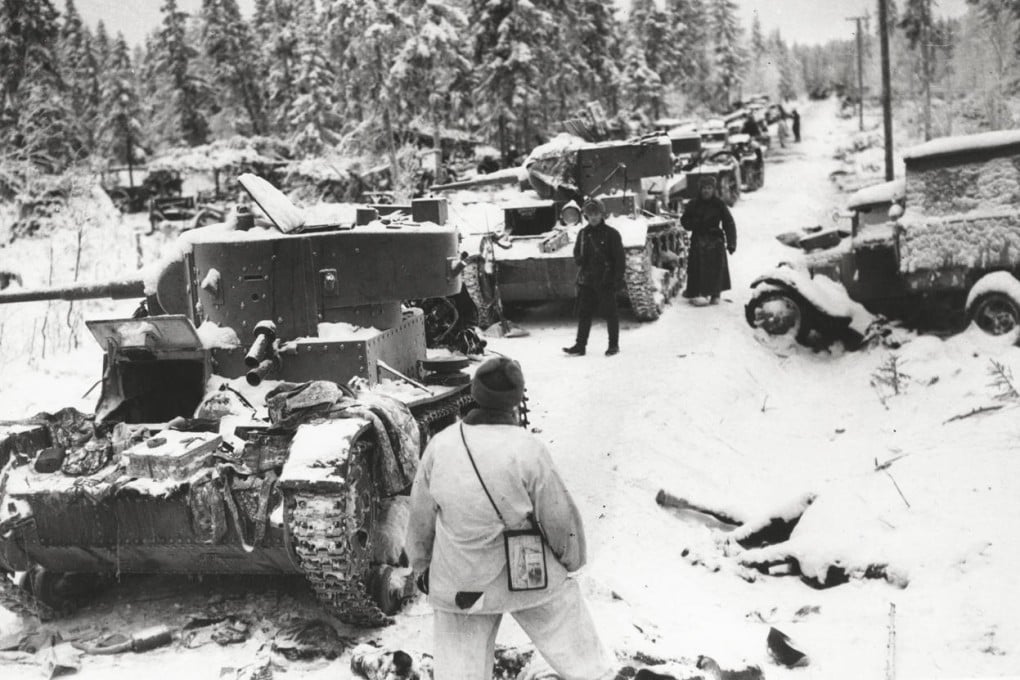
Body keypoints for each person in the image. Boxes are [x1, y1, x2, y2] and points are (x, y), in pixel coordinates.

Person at [406, 357, 613, 680]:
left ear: (474, 393)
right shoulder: (528, 449)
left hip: (461, 582)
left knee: (459, 672)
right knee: (581, 655)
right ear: (517, 400)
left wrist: (422, 568)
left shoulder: (441, 445)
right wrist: (570, 561)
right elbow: (560, 520)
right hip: (527, 577)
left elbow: (420, 518)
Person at [562, 198, 625, 357]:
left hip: (605, 279)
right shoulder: (583, 234)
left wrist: (617, 279)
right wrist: (579, 259)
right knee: (584, 313)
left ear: (601, 214)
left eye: (596, 213)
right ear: (586, 216)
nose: (594, 217)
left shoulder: (612, 234)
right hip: (588, 279)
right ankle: (580, 345)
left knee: (610, 313)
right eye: (590, 214)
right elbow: (577, 252)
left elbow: (619, 259)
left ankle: (613, 345)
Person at [680, 177, 736, 305]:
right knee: (698, 268)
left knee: (716, 268)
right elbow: (684, 221)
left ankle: (716, 294)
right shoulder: (693, 204)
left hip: (715, 240)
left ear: (713, 189)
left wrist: (731, 243)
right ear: (700, 190)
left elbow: (729, 223)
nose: (706, 191)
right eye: (704, 188)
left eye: (709, 188)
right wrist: (693, 224)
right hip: (698, 239)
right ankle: (700, 293)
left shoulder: (719, 204)